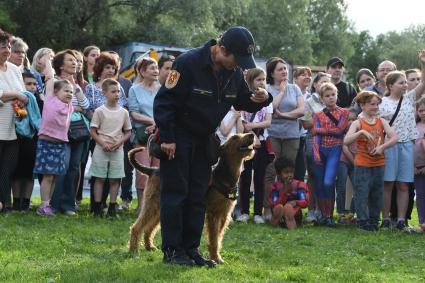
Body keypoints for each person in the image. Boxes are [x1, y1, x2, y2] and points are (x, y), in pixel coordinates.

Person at [153, 26, 272, 267]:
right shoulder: (187, 63)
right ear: (221, 49)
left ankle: (191, 249)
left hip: (205, 139)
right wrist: (167, 137)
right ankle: (173, 251)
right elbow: (164, 101)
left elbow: (242, 101)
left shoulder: (235, 72)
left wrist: (262, 99)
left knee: (198, 195)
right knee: (176, 193)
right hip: (178, 136)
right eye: (235, 59)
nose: (238, 65)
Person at [379, 51, 425, 231]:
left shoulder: (410, 98)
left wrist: (422, 64)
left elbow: (423, 83)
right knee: (388, 183)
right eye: (401, 82)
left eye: (406, 82)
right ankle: (385, 219)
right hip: (389, 147)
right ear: (390, 85)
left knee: (404, 184)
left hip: (407, 145)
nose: (405, 85)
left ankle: (400, 220)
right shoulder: (381, 103)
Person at [344, 91, 398, 231]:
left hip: (379, 164)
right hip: (362, 164)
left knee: (377, 194)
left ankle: (374, 222)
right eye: (371, 104)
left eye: (377, 104)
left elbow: (394, 138)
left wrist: (382, 147)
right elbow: (346, 140)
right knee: (361, 193)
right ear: (362, 105)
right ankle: (363, 222)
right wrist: (360, 132)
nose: (375, 107)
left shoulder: (381, 121)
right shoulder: (358, 122)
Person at [263, 57, 304, 221]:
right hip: (272, 135)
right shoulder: (266, 89)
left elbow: (301, 111)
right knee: (271, 171)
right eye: (280, 69)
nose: (284, 72)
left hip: (291, 136)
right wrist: (280, 91)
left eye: (285, 69)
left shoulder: (295, 89)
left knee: (287, 173)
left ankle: (286, 208)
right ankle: (267, 209)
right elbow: (270, 108)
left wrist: (284, 115)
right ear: (272, 73)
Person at [50, 50, 90, 215]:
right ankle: (55, 203)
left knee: (73, 167)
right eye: (70, 60)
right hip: (60, 130)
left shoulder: (77, 84)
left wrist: (76, 88)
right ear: (60, 65)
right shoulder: (54, 82)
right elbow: (53, 104)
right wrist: (76, 107)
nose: (75, 63)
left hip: (77, 132)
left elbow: (86, 106)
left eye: (76, 61)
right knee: (62, 166)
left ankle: (68, 205)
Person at [89, 78, 131, 217]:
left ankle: (112, 207)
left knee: (115, 179)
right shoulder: (99, 111)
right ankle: (97, 207)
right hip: (101, 148)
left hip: (117, 149)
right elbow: (93, 131)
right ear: (104, 93)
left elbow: (128, 132)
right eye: (113, 91)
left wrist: (119, 143)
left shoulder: (124, 112)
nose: (117, 94)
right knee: (99, 178)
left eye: (118, 91)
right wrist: (102, 143)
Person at [33, 77, 73, 216]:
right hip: (47, 143)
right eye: (66, 91)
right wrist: (46, 57)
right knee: (48, 176)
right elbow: (50, 79)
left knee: (55, 176)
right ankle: (43, 205)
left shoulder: (69, 106)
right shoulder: (50, 100)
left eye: (71, 92)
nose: (69, 93)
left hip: (60, 144)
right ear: (55, 92)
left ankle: (47, 204)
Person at [237, 68, 272, 224]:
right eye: (258, 79)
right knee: (245, 177)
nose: (262, 82)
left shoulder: (267, 100)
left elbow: (268, 121)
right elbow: (241, 118)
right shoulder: (244, 98)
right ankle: (244, 211)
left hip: (262, 143)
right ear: (250, 82)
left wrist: (252, 125)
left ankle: (257, 212)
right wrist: (250, 130)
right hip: (246, 143)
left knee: (260, 177)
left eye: (263, 79)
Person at [311, 82, 349, 227]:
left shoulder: (343, 112)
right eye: (327, 96)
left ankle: (330, 214)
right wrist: (315, 152)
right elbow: (315, 137)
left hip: (335, 149)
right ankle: (325, 216)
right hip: (321, 149)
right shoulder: (318, 114)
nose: (331, 98)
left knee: (329, 182)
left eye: (333, 95)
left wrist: (319, 130)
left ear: (336, 95)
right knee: (320, 184)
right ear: (322, 99)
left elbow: (339, 130)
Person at [0, 29, 28, 212]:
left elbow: (24, 93)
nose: (7, 49)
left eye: (9, 46)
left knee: (7, 170)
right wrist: (16, 95)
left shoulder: (14, 69)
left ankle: (5, 204)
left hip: (13, 128)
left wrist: (20, 97)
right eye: (3, 46)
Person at [128, 57, 160, 212]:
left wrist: (157, 124)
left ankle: (154, 208)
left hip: (160, 135)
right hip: (142, 136)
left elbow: (166, 110)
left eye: (156, 67)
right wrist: (152, 121)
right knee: (143, 173)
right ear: (142, 71)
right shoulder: (134, 89)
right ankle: (141, 207)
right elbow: (133, 113)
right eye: (152, 68)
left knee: (158, 173)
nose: (156, 71)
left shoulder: (162, 88)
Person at [299, 72, 331, 223]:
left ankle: (323, 211)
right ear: (315, 85)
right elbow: (306, 123)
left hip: (331, 141)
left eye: (329, 82)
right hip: (314, 140)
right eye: (323, 82)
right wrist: (324, 118)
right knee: (313, 176)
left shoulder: (332, 100)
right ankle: (311, 210)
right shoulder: (309, 101)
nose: (326, 85)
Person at [10, 71, 42, 211]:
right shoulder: (15, 100)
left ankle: (26, 202)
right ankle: (16, 201)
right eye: (28, 83)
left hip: (33, 140)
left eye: (35, 84)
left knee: (29, 173)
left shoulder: (39, 101)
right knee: (16, 172)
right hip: (16, 138)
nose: (32, 87)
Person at [268, 157, 309, 229]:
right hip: (280, 213)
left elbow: (305, 202)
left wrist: (295, 202)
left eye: (291, 172)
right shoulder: (275, 187)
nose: (289, 175)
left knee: (288, 207)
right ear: (278, 174)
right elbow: (273, 203)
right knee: (279, 207)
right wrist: (285, 192)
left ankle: (291, 222)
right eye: (286, 172)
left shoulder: (299, 185)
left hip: (295, 215)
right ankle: (276, 220)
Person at [334, 107, 357, 224]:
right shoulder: (341, 134)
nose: (351, 122)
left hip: (354, 162)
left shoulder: (358, 134)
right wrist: (354, 162)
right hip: (343, 161)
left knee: (357, 187)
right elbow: (344, 148)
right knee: (341, 187)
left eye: (354, 119)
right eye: (348, 119)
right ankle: (341, 213)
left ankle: (352, 212)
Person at [292, 67, 312, 183]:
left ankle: (298, 199)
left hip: (304, 138)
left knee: (300, 171)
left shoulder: (311, 97)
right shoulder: (289, 94)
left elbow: (313, 119)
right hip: (289, 137)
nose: (307, 77)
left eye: (308, 75)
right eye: (303, 74)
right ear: (295, 79)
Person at [414, 97, 425, 231]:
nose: (423, 113)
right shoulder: (414, 126)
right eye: (421, 110)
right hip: (416, 167)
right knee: (420, 195)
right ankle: (422, 221)